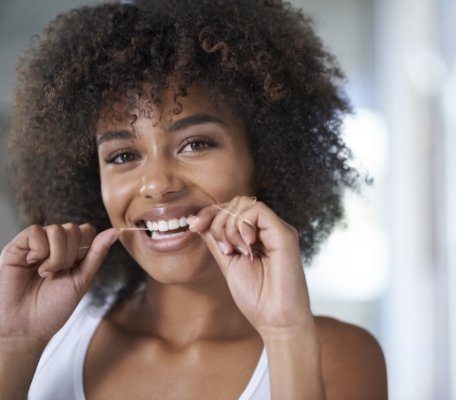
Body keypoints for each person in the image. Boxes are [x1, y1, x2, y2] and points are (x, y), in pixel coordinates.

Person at [0, 0, 387, 398]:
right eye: (123, 156)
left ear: (266, 158)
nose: (156, 184)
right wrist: (14, 344)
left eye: (195, 144)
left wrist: (285, 333)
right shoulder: (46, 336)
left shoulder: (336, 355)